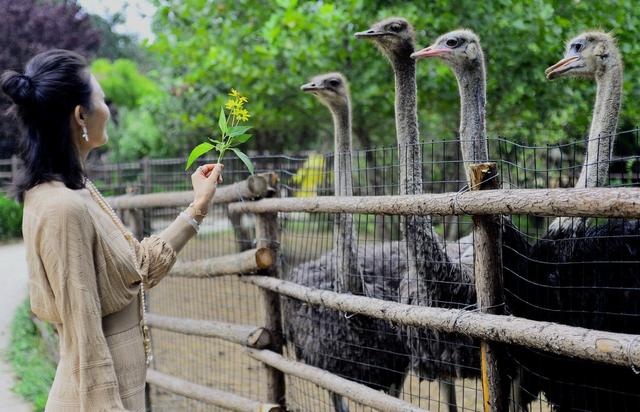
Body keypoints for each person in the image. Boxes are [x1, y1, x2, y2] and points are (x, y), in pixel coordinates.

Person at [1, 49, 223, 411]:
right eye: (102, 99)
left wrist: (198, 207)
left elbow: (139, 267)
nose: (108, 107)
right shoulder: (63, 208)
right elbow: (83, 333)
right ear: (80, 116)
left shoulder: (77, 191)